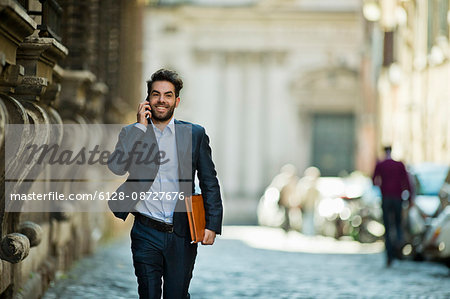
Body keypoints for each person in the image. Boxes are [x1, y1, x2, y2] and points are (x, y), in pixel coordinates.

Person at [107, 69, 223, 298]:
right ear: (148, 99)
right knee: (148, 294)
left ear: (176, 101)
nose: (161, 100)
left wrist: (212, 224)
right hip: (145, 231)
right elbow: (117, 167)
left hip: (182, 232)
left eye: (168, 95)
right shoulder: (132, 132)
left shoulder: (194, 134)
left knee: (177, 294)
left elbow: (209, 180)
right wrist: (140, 128)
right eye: (156, 94)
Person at [372, 145, 412, 267]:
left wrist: (382, 187)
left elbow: (374, 180)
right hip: (397, 198)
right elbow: (406, 181)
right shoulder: (399, 164)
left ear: (384, 152)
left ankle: (390, 254)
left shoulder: (381, 164)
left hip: (386, 198)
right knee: (398, 223)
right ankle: (399, 243)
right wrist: (409, 197)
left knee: (388, 227)